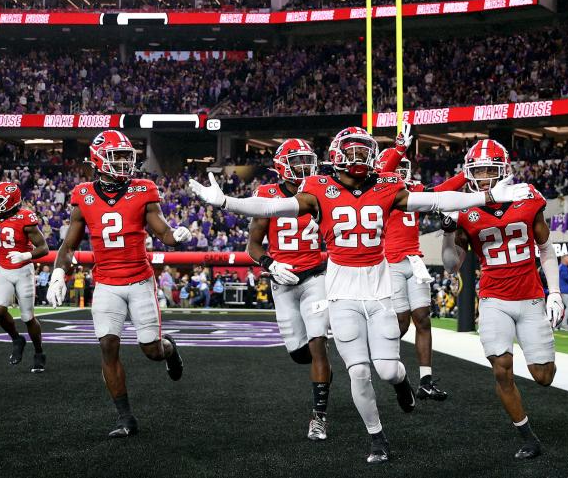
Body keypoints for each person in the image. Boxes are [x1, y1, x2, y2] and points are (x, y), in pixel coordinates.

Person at [190, 125, 532, 464]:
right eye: (351, 151)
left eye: (363, 151)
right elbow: (270, 208)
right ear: (337, 156)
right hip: (341, 290)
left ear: (373, 155)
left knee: (387, 370)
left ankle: (402, 384)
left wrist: (486, 196)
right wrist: (225, 202)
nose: (357, 157)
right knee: (357, 371)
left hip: (379, 288)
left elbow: (435, 199)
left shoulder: (386, 184)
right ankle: (377, 438)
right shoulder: (317, 187)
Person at [47, 130, 191, 438]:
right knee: (107, 345)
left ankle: (171, 350)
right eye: (118, 157)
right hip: (106, 283)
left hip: (139, 279)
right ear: (99, 159)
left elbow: (161, 230)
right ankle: (125, 418)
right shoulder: (83, 194)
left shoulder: (143, 189)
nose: (125, 163)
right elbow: (69, 245)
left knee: (152, 350)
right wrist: (58, 272)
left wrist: (174, 236)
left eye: (128, 157)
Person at [441, 139, 562, 460]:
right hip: (494, 298)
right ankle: (527, 436)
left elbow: (546, 249)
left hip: (531, 296)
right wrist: (446, 229)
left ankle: (537, 356)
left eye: (488, 170)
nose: (481, 176)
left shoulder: (528, 198)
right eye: (476, 170)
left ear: (503, 171)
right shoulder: (464, 208)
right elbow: (453, 264)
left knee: (543, 376)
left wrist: (557, 293)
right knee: (501, 370)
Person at [246, 138, 333, 440]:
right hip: (281, 281)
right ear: (282, 166)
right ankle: (322, 360)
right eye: (296, 162)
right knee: (299, 354)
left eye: (306, 161)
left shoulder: (320, 191)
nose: (302, 168)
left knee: (317, 343)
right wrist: (270, 264)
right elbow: (253, 245)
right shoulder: (267, 195)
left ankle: (318, 417)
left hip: (315, 277)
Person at [376, 137, 465, 401]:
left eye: (405, 166)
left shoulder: (413, 188)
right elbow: (382, 175)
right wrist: (397, 149)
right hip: (389, 262)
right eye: (397, 166)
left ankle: (425, 380)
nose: (402, 171)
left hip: (413, 260)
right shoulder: (378, 189)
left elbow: (440, 192)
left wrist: (465, 175)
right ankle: (384, 359)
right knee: (401, 322)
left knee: (423, 318)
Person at [0, 181, 50, 372]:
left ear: (12, 201)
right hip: (3, 269)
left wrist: (26, 255)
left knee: (28, 317)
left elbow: (43, 248)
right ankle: (16, 339)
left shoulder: (25, 218)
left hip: (23, 270)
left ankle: (38, 352)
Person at [557, 255, 568, 331]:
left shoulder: (560, 267)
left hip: (561, 290)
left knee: (562, 308)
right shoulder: (563, 268)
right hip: (565, 290)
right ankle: (564, 324)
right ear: (564, 259)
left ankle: (559, 324)